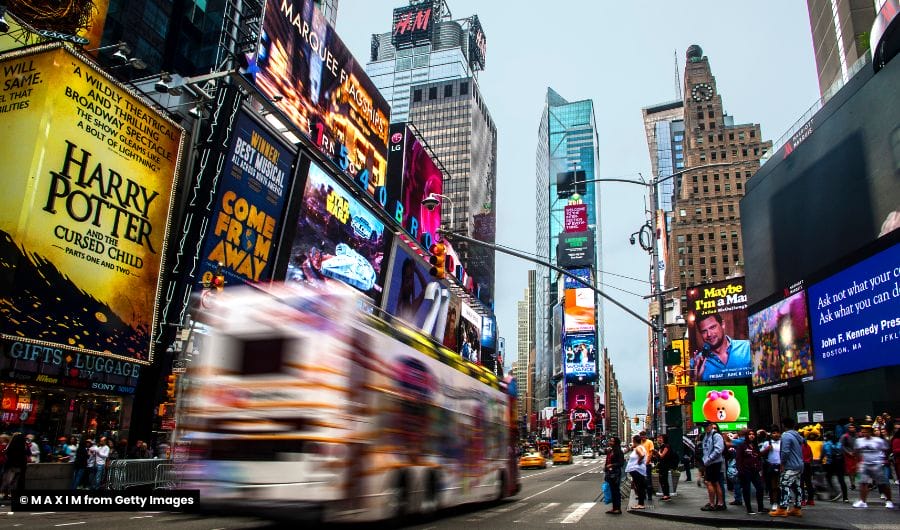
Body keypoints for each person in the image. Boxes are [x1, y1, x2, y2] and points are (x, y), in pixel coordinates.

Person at [691, 312, 751, 381]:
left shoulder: (747, 348)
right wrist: (697, 381)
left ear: (722, 324)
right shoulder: (696, 363)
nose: (709, 334)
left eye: (712, 327)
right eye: (704, 331)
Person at [853, 424, 894, 509]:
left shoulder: (878, 440)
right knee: (863, 483)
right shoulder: (859, 441)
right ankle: (863, 502)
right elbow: (856, 452)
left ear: (870, 432)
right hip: (865, 464)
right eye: (863, 432)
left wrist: (883, 459)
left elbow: (886, 449)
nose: (864, 433)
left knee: (882, 483)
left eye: (866, 432)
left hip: (876, 464)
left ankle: (889, 501)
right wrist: (858, 462)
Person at [770, 417, 804, 517]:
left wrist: (782, 463)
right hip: (799, 464)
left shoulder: (786, 436)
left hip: (791, 465)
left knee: (784, 484)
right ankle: (797, 508)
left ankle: (783, 508)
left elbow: (785, 451)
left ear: (784, 425)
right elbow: (803, 442)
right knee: (796, 486)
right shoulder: (797, 435)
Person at [735, 428, 766, 514]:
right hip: (745, 471)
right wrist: (740, 470)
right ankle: (749, 509)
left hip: (755, 470)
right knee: (746, 489)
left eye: (753, 434)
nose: (752, 436)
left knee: (760, 488)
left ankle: (761, 507)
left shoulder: (755, 446)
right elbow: (738, 459)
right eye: (750, 434)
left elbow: (758, 457)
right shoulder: (742, 445)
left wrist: (760, 468)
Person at [700, 421, 726, 511]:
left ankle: (714, 504)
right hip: (709, 462)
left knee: (710, 482)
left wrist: (709, 459)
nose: (705, 428)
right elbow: (705, 449)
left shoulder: (716, 435)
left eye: (707, 426)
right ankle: (719, 503)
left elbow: (718, 450)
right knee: (714, 482)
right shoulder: (706, 436)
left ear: (711, 426)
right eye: (704, 426)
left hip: (714, 462)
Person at [396, 258, 427, 325]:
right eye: (407, 279)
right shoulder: (399, 304)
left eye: (410, 278)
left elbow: (425, 288)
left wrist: (416, 270)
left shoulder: (411, 307)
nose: (409, 284)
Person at [823, 431, 848, 502]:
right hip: (839, 463)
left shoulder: (826, 444)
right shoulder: (839, 444)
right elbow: (843, 454)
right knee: (841, 479)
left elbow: (823, 455)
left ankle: (834, 492)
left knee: (828, 477)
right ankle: (845, 497)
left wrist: (821, 463)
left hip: (830, 463)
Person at [1, 433, 28, 499]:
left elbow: (7, 456)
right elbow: (25, 458)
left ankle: (6, 494)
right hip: (19, 467)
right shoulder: (22, 448)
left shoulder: (10, 447)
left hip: (10, 466)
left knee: (8, 481)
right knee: (16, 481)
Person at [760, 427, 781, 509]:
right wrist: (766, 449)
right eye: (773, 433)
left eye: (777, 432)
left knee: (781, 485)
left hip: (781, 465)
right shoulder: (767, 443)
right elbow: (760, 453)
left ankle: (782, 502)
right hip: (771, 465)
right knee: (773, 485)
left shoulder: (782, 442)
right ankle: (774, 502)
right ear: (771, 434)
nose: (776, 434)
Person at [626, 435, 648, 510]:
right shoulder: (640, 447)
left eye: (633, 441)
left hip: (637, 470)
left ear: (634, 441)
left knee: (639, 487)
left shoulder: (638, 448)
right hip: (639, 470)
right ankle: (640, 503)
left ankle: (640, 504)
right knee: (640, 487)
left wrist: (638, 462)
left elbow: (641, 455)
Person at [604, 436, 625, 515]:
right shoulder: (611, 451)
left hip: (615, 473)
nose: (610, 442)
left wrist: (611, 465)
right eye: (610, 441)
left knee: (616, 491)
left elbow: (621, 463)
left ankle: (618, 508)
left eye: (612, 441)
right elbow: (607, 460)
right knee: (612, 491)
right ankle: (614, 508)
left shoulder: (618, 451)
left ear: (616, 443)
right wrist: (606, 468)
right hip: (610, 473)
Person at [656, 434, 677, 501]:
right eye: (658, 438)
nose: (659, 439)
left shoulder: (666, 446)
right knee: (662, 480)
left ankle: (666, 495)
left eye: (661, 438)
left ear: (664, 439)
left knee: (664, 480)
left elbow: (662, 456)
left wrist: (657, 452)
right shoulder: (661, 446)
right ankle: (665, 494)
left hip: (665, 465)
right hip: (662, 465)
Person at [840, 423, 859, 491]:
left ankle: (864, 483)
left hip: (857, 455)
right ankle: (852, 484)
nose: (852, 429)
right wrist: (848, 452)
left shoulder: (857, 436)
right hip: (848, 456)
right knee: (850, 471)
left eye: (853, 427)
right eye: (850, 427)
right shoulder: (845, 436)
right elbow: (842, 446)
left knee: (858, 470)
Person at [640, 432, 656, 502]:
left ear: (646, 436)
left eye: (643, 435)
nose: (642, 437)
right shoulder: (639, 442)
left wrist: (646, 463)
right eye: (641, 436)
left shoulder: (650, 442)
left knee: (648, 480)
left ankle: (649, 496)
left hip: (647, 464)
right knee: (641, 481)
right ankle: (643, 496)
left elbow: (651, 453)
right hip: (640, 465)